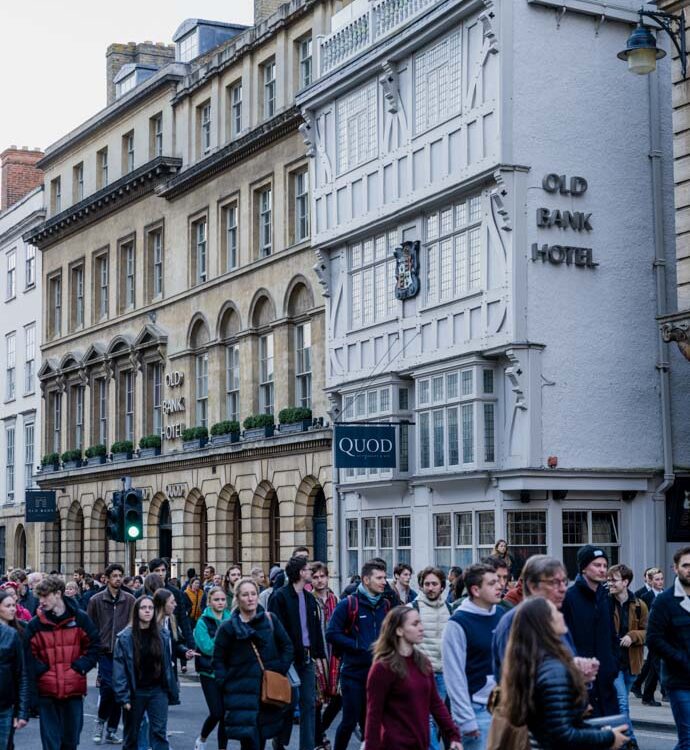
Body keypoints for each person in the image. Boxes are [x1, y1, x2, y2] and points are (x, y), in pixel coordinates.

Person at [498, 597, 629, 750]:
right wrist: (608, 737)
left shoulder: (535, 662)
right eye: (555, 612)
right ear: (545, 623)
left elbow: (552, 719)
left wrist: (578, 680)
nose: (561, 615)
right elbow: (561, 734)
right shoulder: (553, 669)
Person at [365, 606, 462, 750]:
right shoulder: (383, 668)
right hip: (393, 745)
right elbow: (374, 715)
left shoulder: (423, 662)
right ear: (399, 630)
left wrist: (454, 735)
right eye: (415, 624)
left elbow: (435, 704)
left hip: (420, 744)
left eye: (421, 623)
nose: (421, 628)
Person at [213, 578, 293, 750]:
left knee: (261, 738)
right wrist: (224, 682)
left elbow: (287, 646)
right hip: (240, 694)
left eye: (253, 594)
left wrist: (279, 669)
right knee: (249, 741)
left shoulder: (270, 620)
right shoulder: (228, 628)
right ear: (237, 598)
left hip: (267, 692)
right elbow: (218, 659)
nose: (250, 598)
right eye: (245, 595)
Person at [26, 575, 100, 750]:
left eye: (45, 596)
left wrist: (80, 667)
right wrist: (41, 670)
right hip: (47, 692)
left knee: (70, 742)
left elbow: (94, 645)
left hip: (73, 690)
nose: (41, 601)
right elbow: (27, 654)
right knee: (51, 744)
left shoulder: (80, 619)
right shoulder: (36, 624)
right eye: (39, 597)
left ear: (58, 594)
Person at [327, 559, 391, 750]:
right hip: (353, 673)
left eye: (384, 577)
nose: (384, 582)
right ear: (366, 580)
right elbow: (331, 633)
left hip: (377, 673)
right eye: (379, 578)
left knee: (370, 723)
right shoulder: (349, 604)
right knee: (349, 720)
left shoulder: (385, 604)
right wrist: (357, 645)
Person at [443, 563, 504, 750]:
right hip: (476, 711)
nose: (500, 585)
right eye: (492, 583)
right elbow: (454, 676)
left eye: (500, 580)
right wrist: (466, 720)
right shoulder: (458, 623)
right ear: (475, 590)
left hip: (504, 709)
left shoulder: (502, 614)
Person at [268, 556, 325, 750]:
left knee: (309, 704)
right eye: (309, 569)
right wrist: (282, 657)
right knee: (289, 703)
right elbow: (275, 630)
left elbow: (314, 629)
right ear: (301, 572)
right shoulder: (280, 597)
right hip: (288, 659)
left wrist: (318, 656)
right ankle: (279, 741)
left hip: (307, 658)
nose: (311, 572)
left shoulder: (309, 598)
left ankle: (307, 747)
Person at [112, 596, 179, 750]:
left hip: (158, 691)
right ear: (136, 611)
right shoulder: (125, 637)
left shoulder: (162, 634)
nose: (147, 611)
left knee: (159, 733)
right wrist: (123, 697)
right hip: (136, 692)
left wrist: (170, 689)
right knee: (132, 736)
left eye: (150, 608)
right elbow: (119, 669)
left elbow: (167, 665)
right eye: (143, 608)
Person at [562, 545, 620, 717]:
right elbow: (564, 640)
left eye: (604, 565)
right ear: (583, 568)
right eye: (596, 565)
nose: (602, 570)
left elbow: (611, 634)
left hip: (606, 680)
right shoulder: (569, 597)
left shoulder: (605, 598)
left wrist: (613, 664)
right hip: (581, 681)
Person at [646, 545, 690, 749]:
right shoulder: (664, 601)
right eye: (686, 565)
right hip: (679, 680)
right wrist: (681, 659)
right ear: (675, 568)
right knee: (688, 739)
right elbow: (653, 639)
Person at [87, 562, 136, 744]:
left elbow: (134, 624)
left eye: (120, 576)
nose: (117, 579)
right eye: (114, 576)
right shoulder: (96, 600)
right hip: (105, 651)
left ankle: (112, 729)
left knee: (119, 691)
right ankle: (100, 722)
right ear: (106, 579)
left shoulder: (130, 600)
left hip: (124, 652)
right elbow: (90, 626)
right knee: (108, 688)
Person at [607, 563, 647, 750]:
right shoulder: (604, 602)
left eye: (613, 580)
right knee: (623, 703)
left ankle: (613, 738)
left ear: (626, 582)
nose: (609, 583)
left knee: (619, 705)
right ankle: (630, 742)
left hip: (632, 664)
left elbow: (648, 632)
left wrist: (633, 636)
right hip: (612, 663)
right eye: (608, 579)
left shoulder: (640, 605)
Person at [412, 566, 452, 750]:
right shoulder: (412, 609)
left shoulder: (450, 609)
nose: (430, 587)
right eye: (426, 584)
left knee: (436, 719)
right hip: (420, 673)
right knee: (424, 718)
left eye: (434, 584)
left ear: (442, 586)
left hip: (443, 673)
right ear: (420, 586)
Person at [194, 587, 232, 750]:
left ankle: (222, 747)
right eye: (216, 600)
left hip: (228, 671)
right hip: (208, 672)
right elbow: (207, 648)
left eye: (223, 600)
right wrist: (223, 636)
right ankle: (202, 739)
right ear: (209, 602)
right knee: (216, 712)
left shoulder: (230, 618)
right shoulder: (202, 621)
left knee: (225, 715)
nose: (220, 603)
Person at [310, 562, 340, 750]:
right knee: (317, 702)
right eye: (316, 577)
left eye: (322, 576)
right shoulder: (308, 600)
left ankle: (320, 730)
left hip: (335, 654)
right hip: (317, 655)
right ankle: (317, 740)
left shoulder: (335, 600)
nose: (320, 580)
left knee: (338, 697)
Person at [0, 590, 29, 749]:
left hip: (4, 705)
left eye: (14, 605)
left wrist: (22, 711)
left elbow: (21, 674)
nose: (12, 609)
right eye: (8, 606)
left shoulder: (14, 634)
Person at [148, 558, 193, 648]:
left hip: (170, 639)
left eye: (163, 570)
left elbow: (182, 618)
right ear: (151, 572)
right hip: (149, 639)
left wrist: (191, 643)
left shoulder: (175, 592)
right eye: (157, 570)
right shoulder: (143, 592)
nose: (160, 574)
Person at [152, 588, 196, 679]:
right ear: (162, 604)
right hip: (155, 674)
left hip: (171, 672)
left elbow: (176, 643)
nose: (175, 605)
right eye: (172, 602)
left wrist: (185, 652)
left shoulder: (171, 620)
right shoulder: (151, 625)